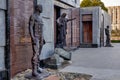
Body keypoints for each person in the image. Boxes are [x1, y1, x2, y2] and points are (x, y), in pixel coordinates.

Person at [29, 4, 47, 78]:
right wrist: (32, 37)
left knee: (39, 53)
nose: (42, 9)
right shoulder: (33, 16)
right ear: (38, 8)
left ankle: (38, 67)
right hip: (35, 37)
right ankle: (34, 71)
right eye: (41, 7)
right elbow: (30, 27)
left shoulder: (40, 17)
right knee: (35, 54)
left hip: (41, 38)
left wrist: (43, 38)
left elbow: (41, 29)